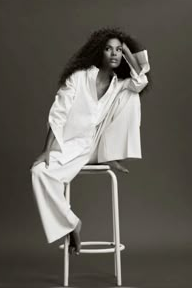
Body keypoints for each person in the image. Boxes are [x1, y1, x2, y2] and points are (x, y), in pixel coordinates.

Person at [30, 27, 151, 256]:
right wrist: (47, 150)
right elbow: (58, 113)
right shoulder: (79, 78)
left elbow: (140, 81)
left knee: (133, 96)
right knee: (39, 172)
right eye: (109, 49)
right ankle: (72, 223)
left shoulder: (118, 85)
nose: (114, 54)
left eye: (118, 50)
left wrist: (127, 48)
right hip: (69, 145)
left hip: (93, 145)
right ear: (99, 51)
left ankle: (111, 153)